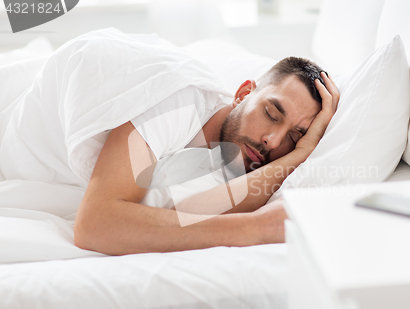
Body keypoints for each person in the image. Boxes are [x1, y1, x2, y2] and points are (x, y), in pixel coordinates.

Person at [74, 57, 340, 256]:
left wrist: (301, 155)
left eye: (294, 136)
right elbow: (95, 223)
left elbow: (184, 215)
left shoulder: (241, 165)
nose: (273, 140)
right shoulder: (178, 102)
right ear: (243, 94)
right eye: (271, 114)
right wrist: (255, 227)